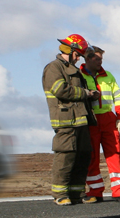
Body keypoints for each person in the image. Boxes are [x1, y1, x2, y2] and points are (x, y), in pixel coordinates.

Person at [42, 34, 100, 206]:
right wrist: (86, 93)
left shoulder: (73, 70)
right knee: (65, 157)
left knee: (82, 157)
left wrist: (91, 95)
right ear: (70, 50)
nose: (78, 58)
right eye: (77, 55)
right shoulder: (53, 68)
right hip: (65, 120)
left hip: (81, 119)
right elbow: (61, 90)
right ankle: (60, 194)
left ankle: (77, 193)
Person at [80, 46, 120, 203]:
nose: (100, 61)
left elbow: (119, 96)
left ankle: (119, 191)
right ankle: (95, 191)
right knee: (92, 157)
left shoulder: (108, 76)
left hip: (109, 120)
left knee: (114, 155)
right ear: (87, 58)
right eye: (97, 58)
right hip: (91, 120)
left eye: (101, 58)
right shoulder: (79, 76)